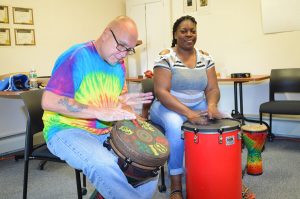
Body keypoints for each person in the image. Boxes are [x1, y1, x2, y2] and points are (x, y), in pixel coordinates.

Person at [42, 16, 158, 199]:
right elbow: (49, 100)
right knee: (104, 165)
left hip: (104, 130)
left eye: (129, 50)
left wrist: (123, 105)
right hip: (66, 129)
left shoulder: (118, 64)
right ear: (105, 34)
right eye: (121, 46)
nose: (123, 54)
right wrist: (98, 111)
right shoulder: (77, 56)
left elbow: (115, 102)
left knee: (146, 165)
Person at [149, 15, 223, 199]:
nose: (189, 35)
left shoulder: (206, 58)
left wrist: (212, 105)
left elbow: (212, 88)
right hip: (167, 105)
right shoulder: (166, 57)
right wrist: (189, 114)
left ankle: (219, 176)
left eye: (193, 31)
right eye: (183, 31)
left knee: (224, 122)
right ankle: (176, 186)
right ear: (175, 34)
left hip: (198, 103)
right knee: (175, 127)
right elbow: (162, 92)